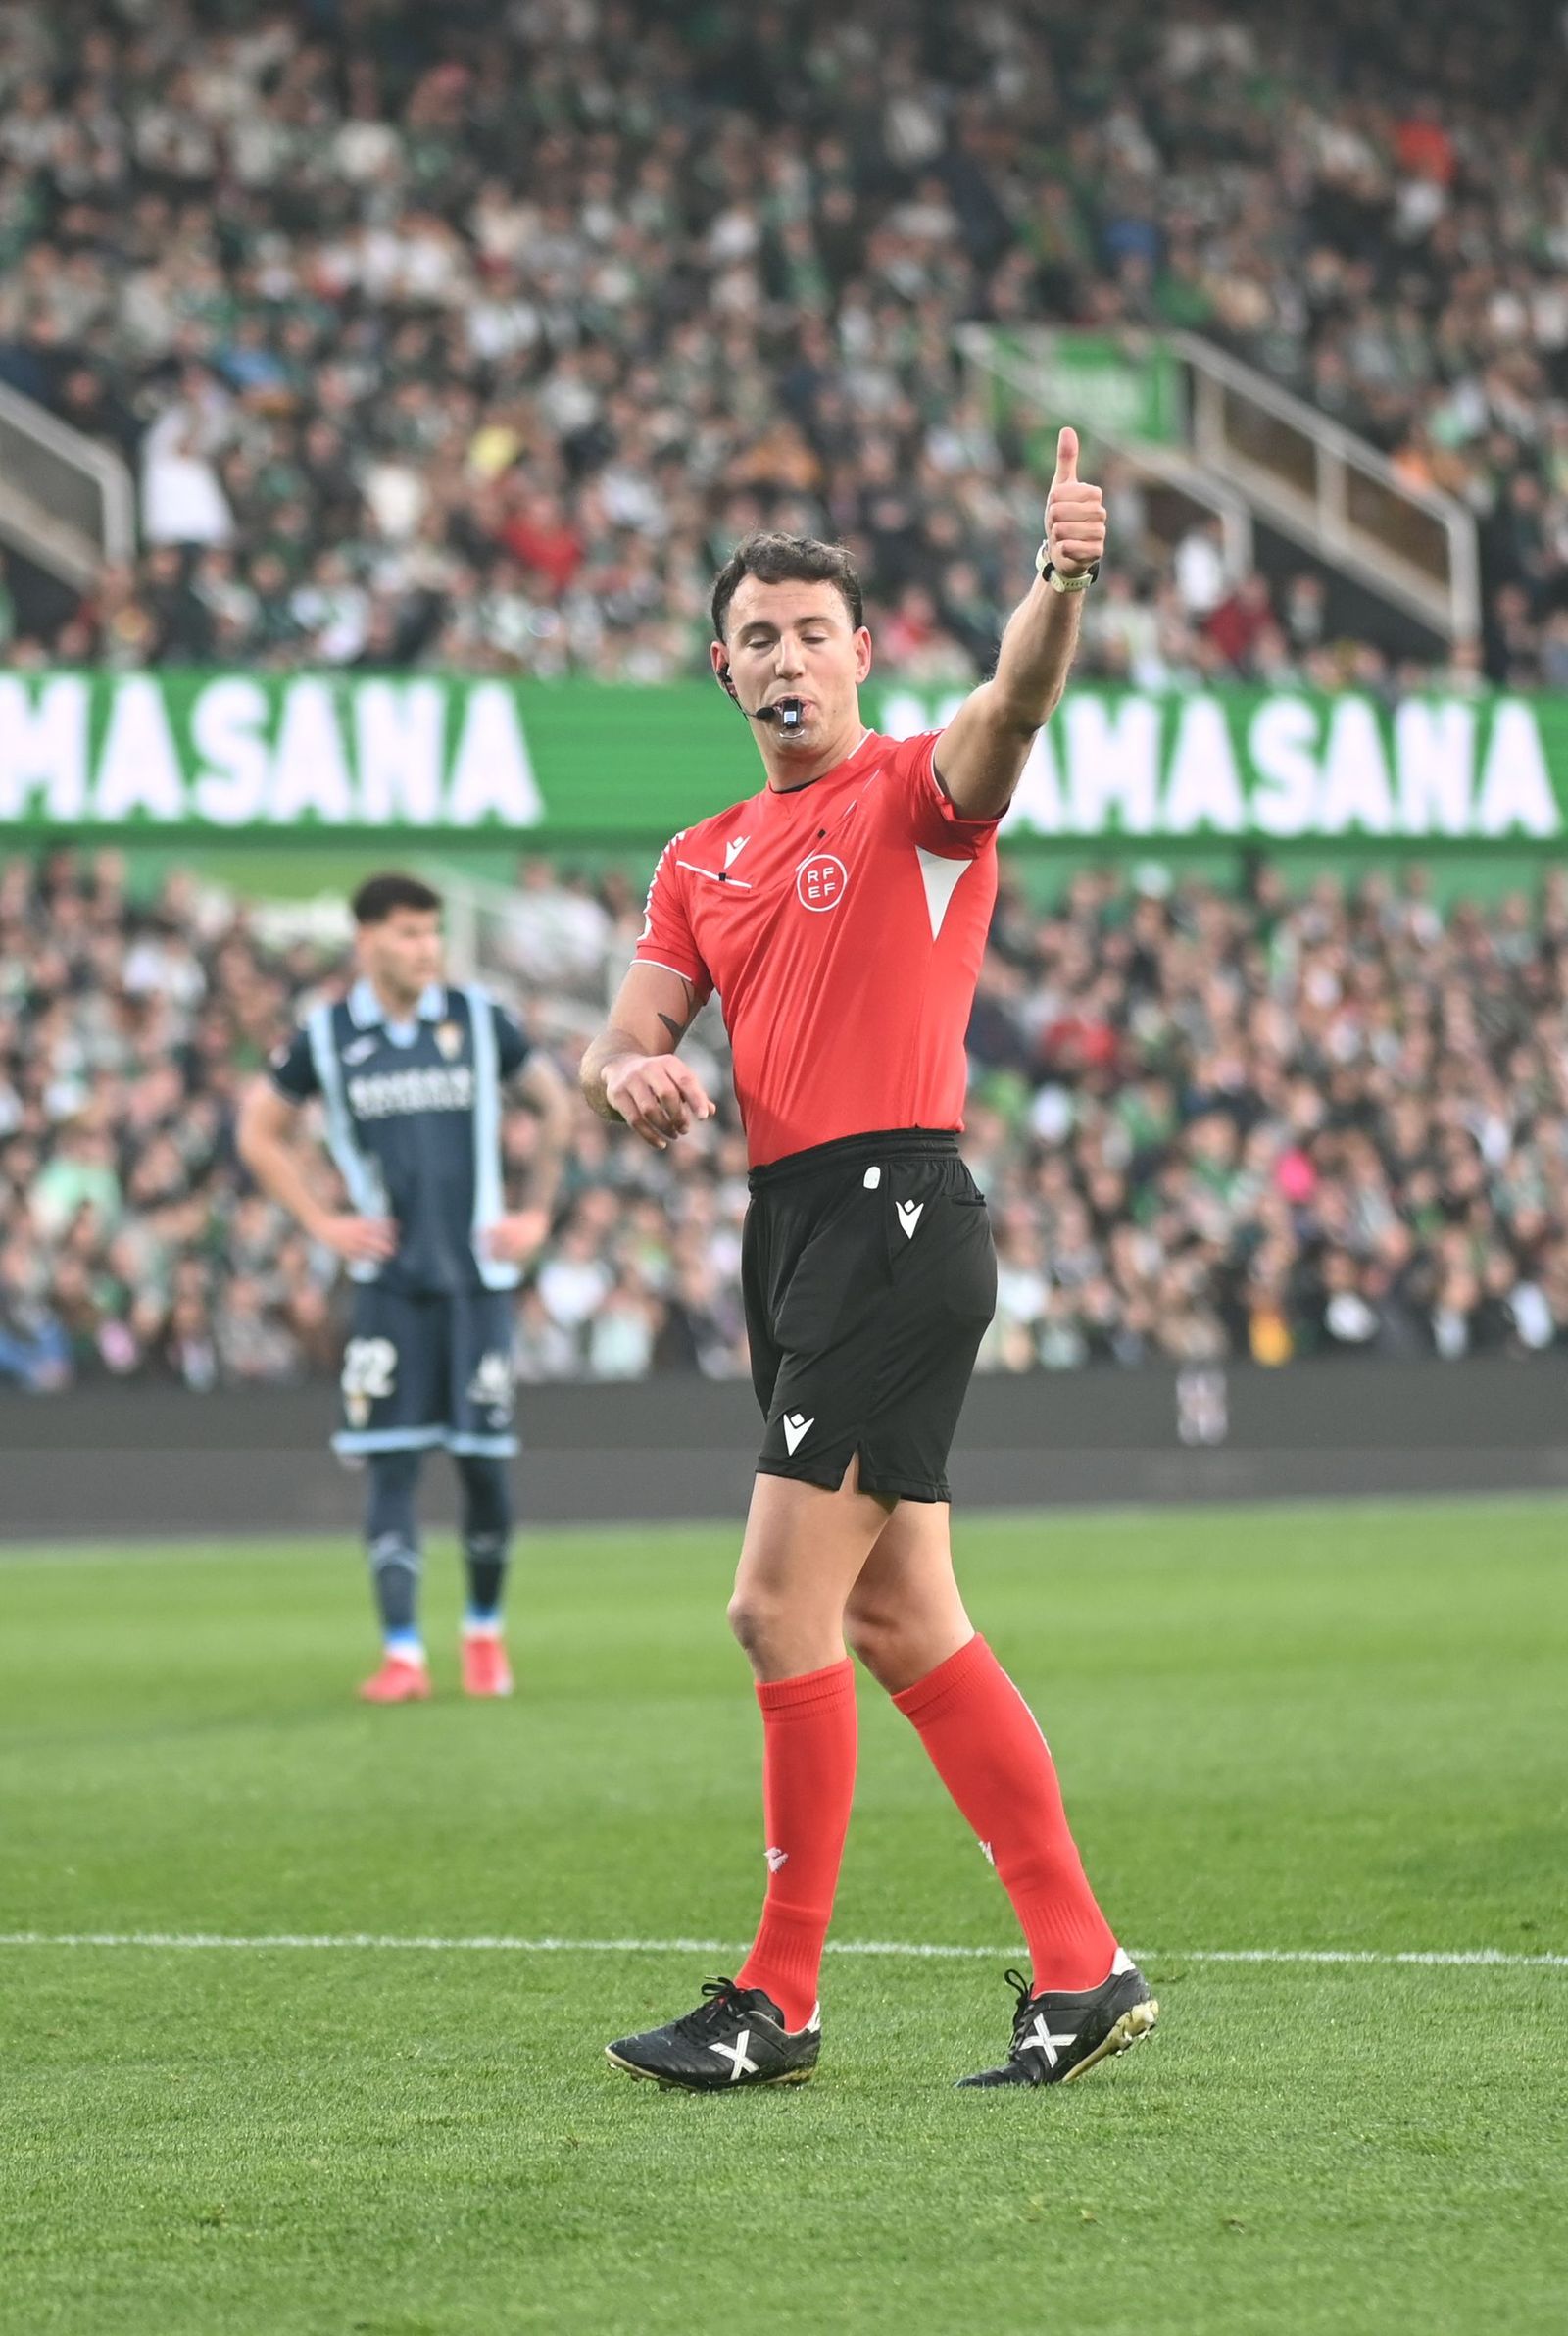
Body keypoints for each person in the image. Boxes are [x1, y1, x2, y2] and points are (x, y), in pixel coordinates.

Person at [580, 429, 1158, 2090]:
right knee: (902, 1616)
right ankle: (1082, 1963)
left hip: (899, 1212)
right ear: (723, 665)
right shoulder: (700, 856)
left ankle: (779, 1994)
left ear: (859, 654)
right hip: (794, 1229)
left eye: (811, 632)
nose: (785, 657)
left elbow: (1018, 707)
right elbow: (627, 1029)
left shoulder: (914, 792)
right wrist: (633, 1072)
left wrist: (1058, 581)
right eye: (756, 634)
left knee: (777, 1604)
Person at [237, 873, 571, 1702]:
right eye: (408, 933)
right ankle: (402, 1653)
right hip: (386, 1286)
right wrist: (321, 1221)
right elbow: (258, 1129)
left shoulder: (477, 1019)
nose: (426, 947)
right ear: (367, 942)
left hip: (477, 1285)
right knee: (390, 1467)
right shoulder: (328, 1034)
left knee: (484, 1467)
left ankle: (484, 1636)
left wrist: (536, 1211)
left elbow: (555, 1106)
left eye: (432, 932)